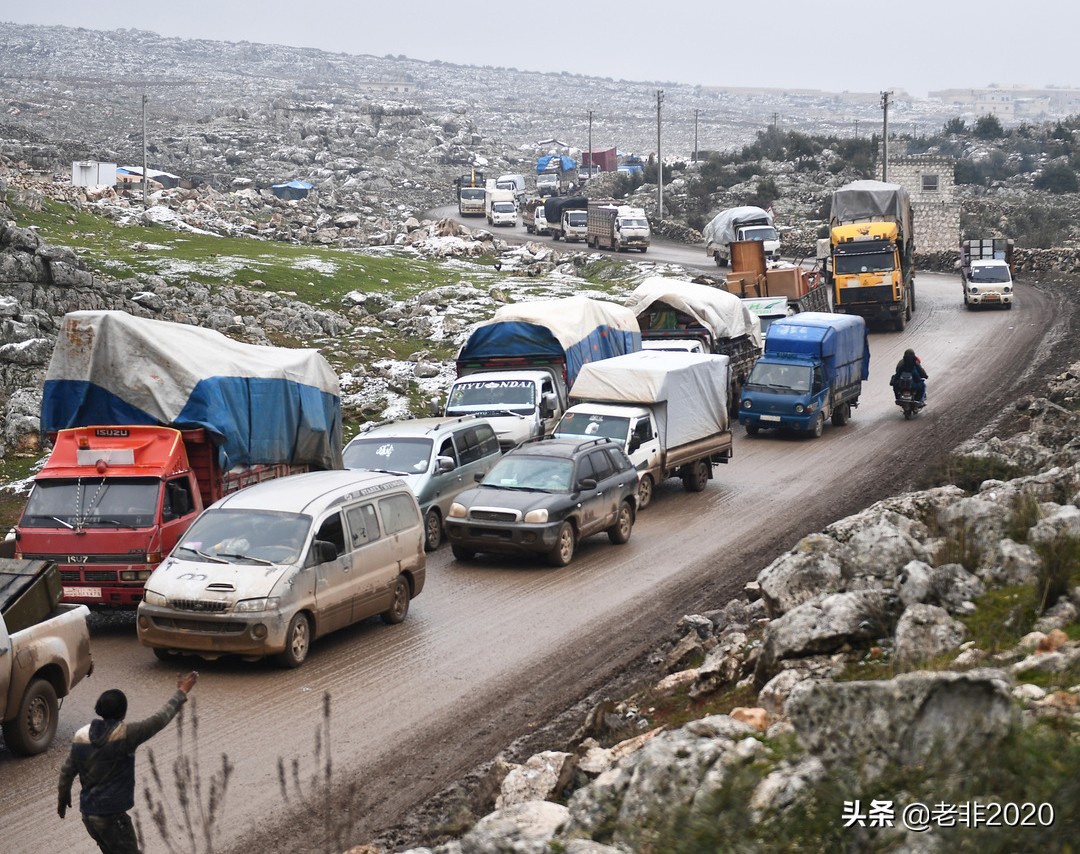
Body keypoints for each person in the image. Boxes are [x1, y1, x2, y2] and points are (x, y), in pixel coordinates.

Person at [58, 672, 199, 854]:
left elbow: (67, 771)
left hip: (89, 817)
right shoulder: (126, 735)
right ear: (123, 712)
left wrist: (63, 798)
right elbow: (160, 719)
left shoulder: (81, 737)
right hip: (113, 819)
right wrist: (181, 692)